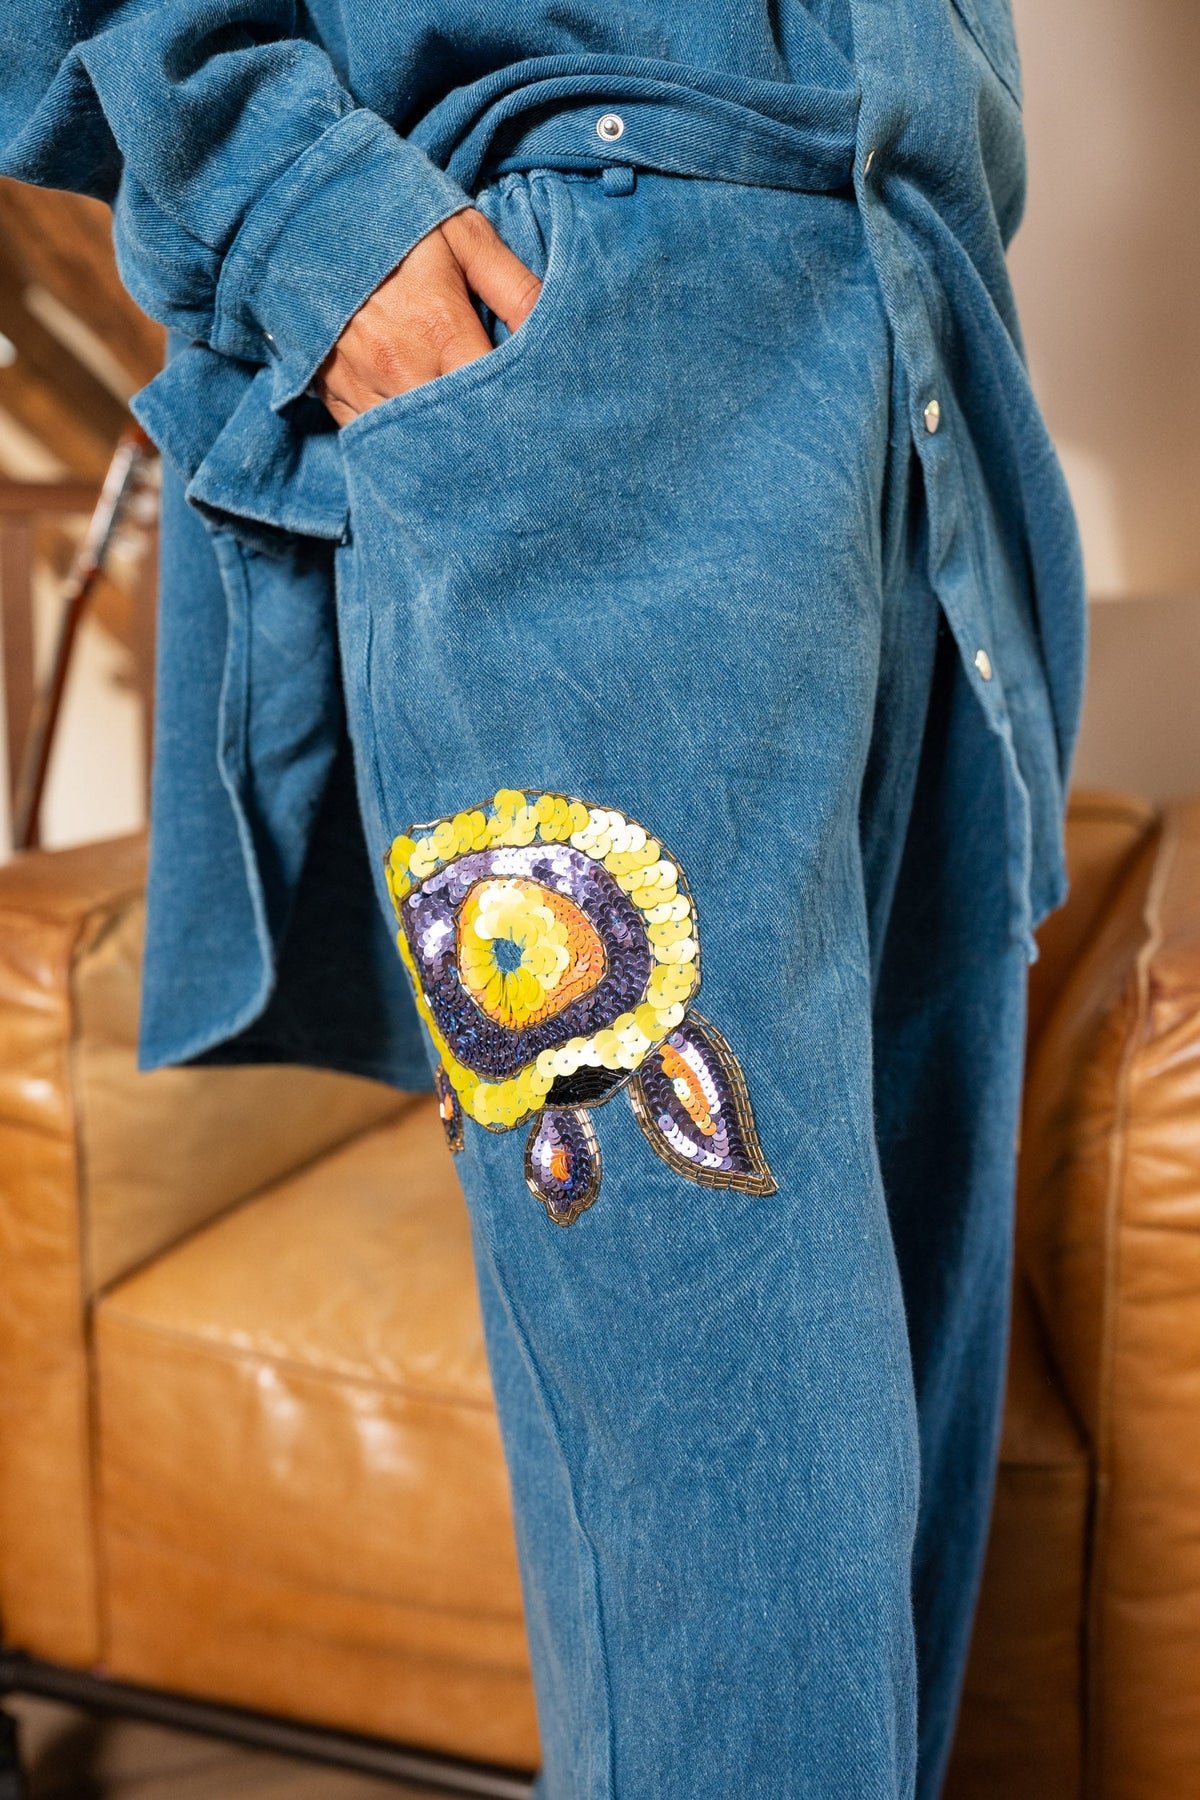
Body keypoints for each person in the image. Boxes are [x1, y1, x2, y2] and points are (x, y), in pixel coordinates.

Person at [0, 4, 1085, 1795]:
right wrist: (297, 209)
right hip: (588, 318)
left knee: (893, 1441)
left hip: (926, 327)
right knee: (737, 1500)